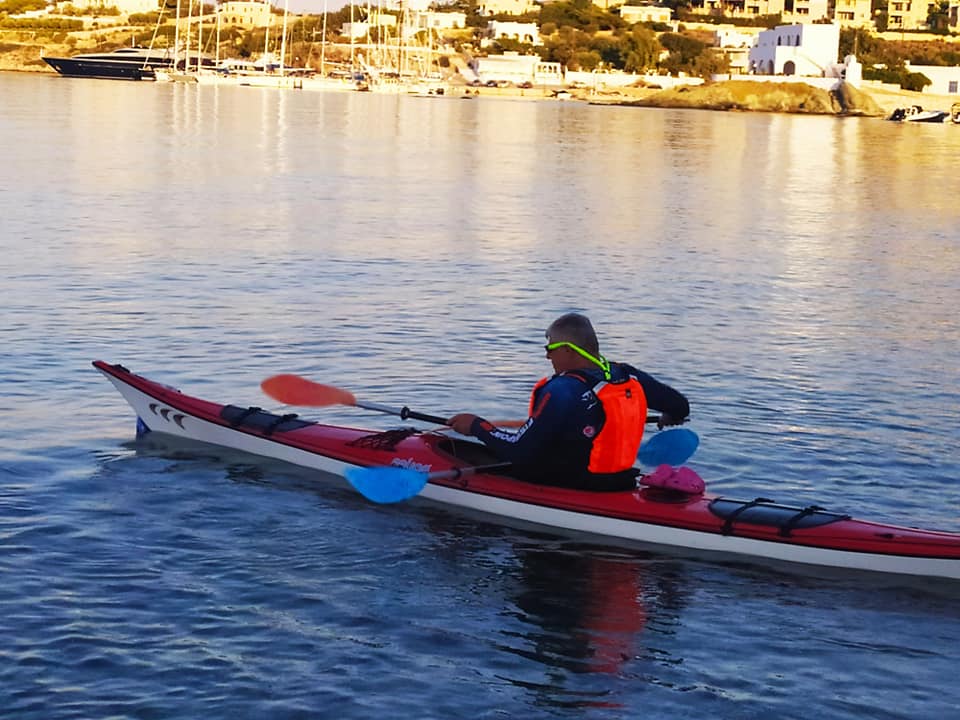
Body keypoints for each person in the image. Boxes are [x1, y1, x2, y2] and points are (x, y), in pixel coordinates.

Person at [447, 313, 690, 491]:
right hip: (622, 481)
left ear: (569, 350)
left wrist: (476, 426)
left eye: (550, 348)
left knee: (489, 451)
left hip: (572, 484)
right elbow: (680, 406)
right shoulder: (627, 375)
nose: (547, 356)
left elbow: (520, 451)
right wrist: (670, 416)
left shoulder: (562, 390)